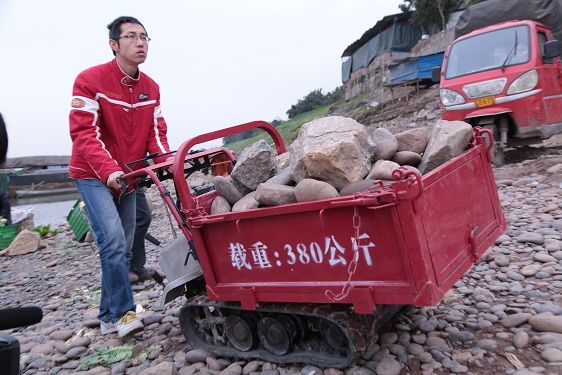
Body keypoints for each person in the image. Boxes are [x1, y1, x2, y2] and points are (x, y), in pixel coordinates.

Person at [68, 16, 171, 337]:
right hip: (92, 175)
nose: (140, 43)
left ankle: (105, 313)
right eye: (131, 37)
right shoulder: (89, 80)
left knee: (120, 248)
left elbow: (156, 134)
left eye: (145, 37)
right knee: (112, 242)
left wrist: (168, 162)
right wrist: (108, 169)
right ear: (114, 44)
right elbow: (83, 132)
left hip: (129, 178)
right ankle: (124, 314)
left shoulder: (151, 88)